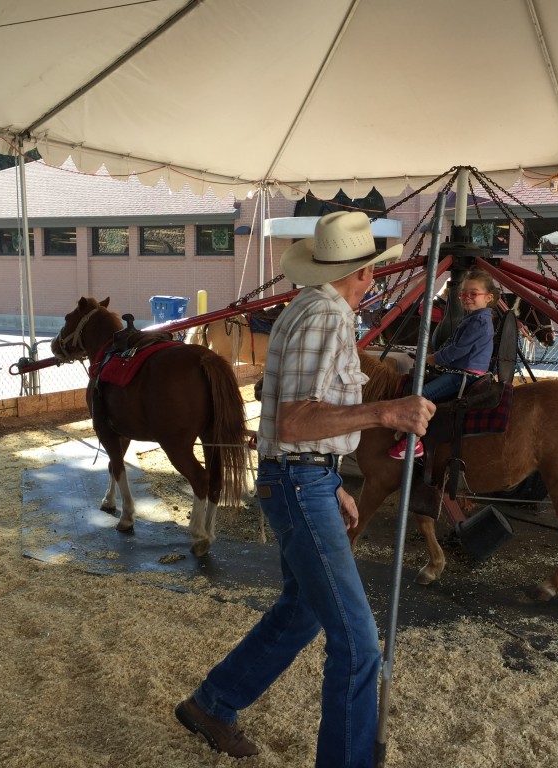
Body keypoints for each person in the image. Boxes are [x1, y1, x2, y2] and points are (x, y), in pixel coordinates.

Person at [175, 211, 435, 766]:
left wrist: (330, 477)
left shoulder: (307, 310)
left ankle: (213, 703)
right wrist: (385, 410)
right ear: (358, 274)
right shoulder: (326, 317)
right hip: (298, 479)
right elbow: (295, 422)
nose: (373, 281)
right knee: (360, 645)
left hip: (302, 478)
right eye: (370, 272)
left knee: (303, 611)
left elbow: (301, 422)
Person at [388, 268, 496, 459]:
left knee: (420, 396)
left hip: (464, 375)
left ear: (488, 298)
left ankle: (413, 442)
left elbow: (459, 349)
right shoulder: (474, 318)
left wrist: (435, 358)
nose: (467, 297)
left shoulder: (478, 321)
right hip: (463, 371)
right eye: (463, 294)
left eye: (473, 294)